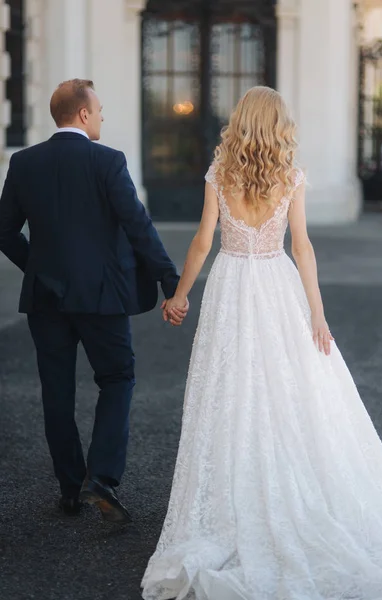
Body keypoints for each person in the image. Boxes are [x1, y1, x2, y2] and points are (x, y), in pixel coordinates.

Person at [142, 86, 382, 599]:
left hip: (232, 284)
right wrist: (316, 315)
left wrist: (178, 295)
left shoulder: (219, 174)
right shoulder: (291, 176)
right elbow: (301, 246)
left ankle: (238, 492)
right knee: (288, 389)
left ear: (239, 121)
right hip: (277, 283)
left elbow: (202, 241)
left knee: (232, 387)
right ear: (279, 125)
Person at [0, 79, 187, 524]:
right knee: (118, 378)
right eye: (99, 110)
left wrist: (39, 269)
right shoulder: (107, 162)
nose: (102, 116)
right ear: (83, 114)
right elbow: (137, 224)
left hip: (46, 299)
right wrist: (168, 281)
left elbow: (4, 231)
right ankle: (101, 478)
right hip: (102, 296)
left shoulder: (23, 162)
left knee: (57, 393)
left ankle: (69, 488)